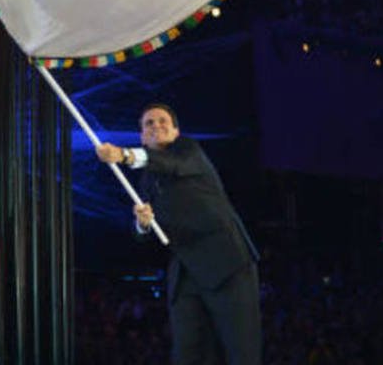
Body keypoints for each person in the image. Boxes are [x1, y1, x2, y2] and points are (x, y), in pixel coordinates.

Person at [97, 102, 261, 365]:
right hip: (185, 272)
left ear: (176, 131)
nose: (156, 126)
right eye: (148, 123)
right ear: (142, 135)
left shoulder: (188, 151)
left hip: (226, 264)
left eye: (162, 121)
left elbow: (171, 164)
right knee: (188, 353)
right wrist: (143, 224)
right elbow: (144, 236)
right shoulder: (146, 180)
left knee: (241, 351)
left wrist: (125, 155)